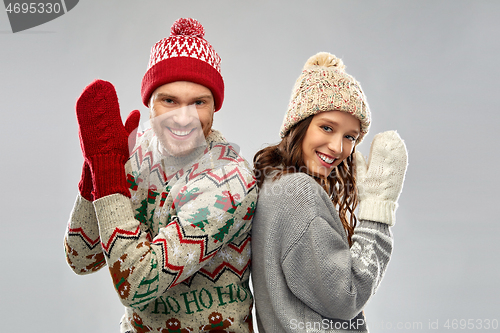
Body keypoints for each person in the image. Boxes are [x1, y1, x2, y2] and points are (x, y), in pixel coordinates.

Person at [64, 18, 257, 333]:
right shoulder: (134, 153)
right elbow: (81, 259)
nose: (184, 117)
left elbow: (138, 284)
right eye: (169, 100)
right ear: (149, 103)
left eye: (199, 102)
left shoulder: (230, 182)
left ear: (214, 107)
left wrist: (109, 177)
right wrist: (94, 175)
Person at [251, 52, 408, 332]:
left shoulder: (274, 182)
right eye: (326, 127)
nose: (338, 147)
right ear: (298, 125)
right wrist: (377, 211)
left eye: (350, 137)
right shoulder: (299, 192)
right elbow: (345, 297)